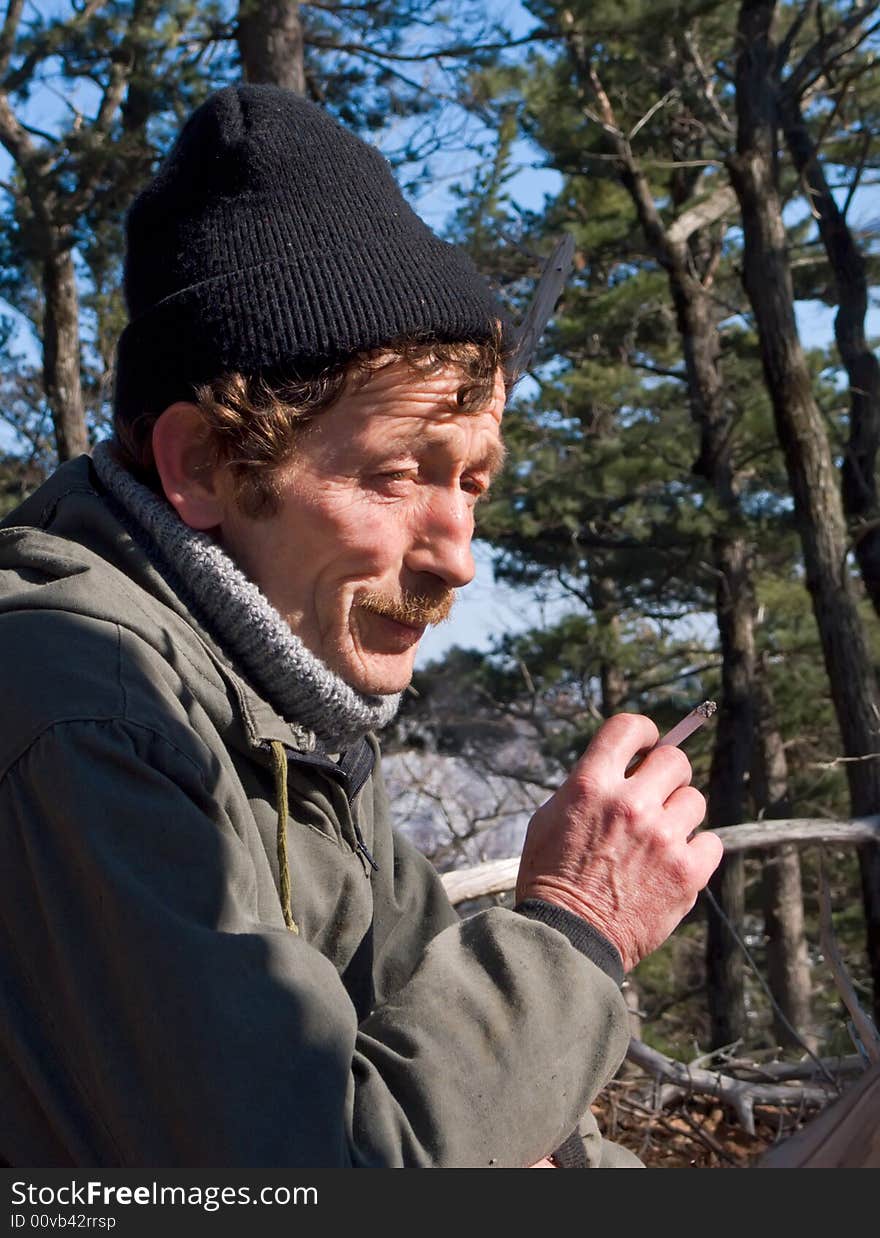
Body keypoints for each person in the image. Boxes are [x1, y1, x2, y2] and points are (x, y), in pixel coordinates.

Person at [0, 84, 723, 1169]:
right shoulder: (85, 706)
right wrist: (576, 926)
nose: (456, 553)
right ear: (202, 464)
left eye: (474, 483)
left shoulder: (290, 712)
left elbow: (475, 1103)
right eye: (396, 475)